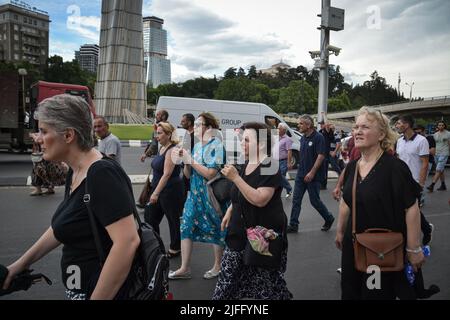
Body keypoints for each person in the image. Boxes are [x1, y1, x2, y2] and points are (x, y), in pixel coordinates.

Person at [2, 94, 140, 300]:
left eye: (43, 131)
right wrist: (21, 264)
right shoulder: (75, 171)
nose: (37, 138)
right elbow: (63, 225)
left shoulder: (101, 174)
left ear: (68, 135)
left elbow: (127, 242)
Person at [335, 107, 425, 300]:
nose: (357, 131)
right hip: (354, 245)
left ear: (381, 134)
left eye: (365, 127)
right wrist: (340, 231)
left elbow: (411, 208)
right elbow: (346, 201)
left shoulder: (395, 168)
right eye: (356, 127)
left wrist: (413, 248)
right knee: (351, 291)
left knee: (374, 293)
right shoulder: (352, 166)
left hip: (381, 249)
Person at [212, 122, 292, 300]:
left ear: (261, 143)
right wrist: (230, 210)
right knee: (227, 282)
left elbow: (260, 199)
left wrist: (235, 178)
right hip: (239, 233)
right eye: (242, 139)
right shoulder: (247, 162)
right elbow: (242, 193)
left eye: (247, 140)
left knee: (267, 285)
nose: (242, 143)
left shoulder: (270, 165)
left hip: (263, 236)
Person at [168, 112, 227, 280]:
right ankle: (184, 268)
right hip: (194, 195)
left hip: (210, 195)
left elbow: (210, 173)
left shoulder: (217, 146)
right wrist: (185, 160)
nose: (195, 127)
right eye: (196, 124)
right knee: (185, 226)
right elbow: (187, 175)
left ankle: (218, 265)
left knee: (216, 229)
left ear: (209, 128)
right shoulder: (198, 146)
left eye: (199, 124)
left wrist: (190, 160)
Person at [287, 115, 335, 233]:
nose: (299, 125)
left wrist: (312, 172)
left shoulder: (318, 137)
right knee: (296, 200)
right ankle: (293, 224)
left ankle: (329, 218)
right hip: (300, 175)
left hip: (313, 176)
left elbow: (321, 156)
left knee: (315, 201)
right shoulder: (303, 138)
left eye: (301, 123)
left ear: (308, 125)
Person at [144, 122, 184, 258]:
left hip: (170, 191)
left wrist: (155, 193)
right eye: (157, 132)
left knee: (173, 220)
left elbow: (167, 174)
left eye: (160, 133)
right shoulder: (162, 148)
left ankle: (175, 248)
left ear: (168, 135)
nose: (157, 136)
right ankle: (156, 245)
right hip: (159, 188)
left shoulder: (172, 150)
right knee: (150, 218)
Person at [395, 115, 434, 245]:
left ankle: (424, 231)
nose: (397, 125)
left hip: (414, 182)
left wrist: (421, 184)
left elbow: (425, 163)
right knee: (404, 209)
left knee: (412, 210)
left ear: (406, 125)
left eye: (399, 123)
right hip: (400, 181)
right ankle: (425, 228)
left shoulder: (421, 141)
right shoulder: (399, 141)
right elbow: (399, 161)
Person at [427, 121, 450, 192]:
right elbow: (433, 144)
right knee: (441, 170)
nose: (441, 126)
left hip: (444, 153)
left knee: (438, 169)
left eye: (442, 125)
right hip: (436, 153)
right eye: (439, 125)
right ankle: (443, 185)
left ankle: (432, 185)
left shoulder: (448, 134)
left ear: (444, 126)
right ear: (437, 126)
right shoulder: (435, 134)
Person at [273, 123, 293, 198]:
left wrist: (289, 163)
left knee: (280, 176)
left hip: (283, 161)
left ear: (284, 130)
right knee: (277, 178)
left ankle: (289, 188)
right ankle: (279, 193)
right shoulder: (276, 138)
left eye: (279, 128)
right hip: (275, 161)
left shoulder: (287, 139)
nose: (277, 129)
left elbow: (289, 151)